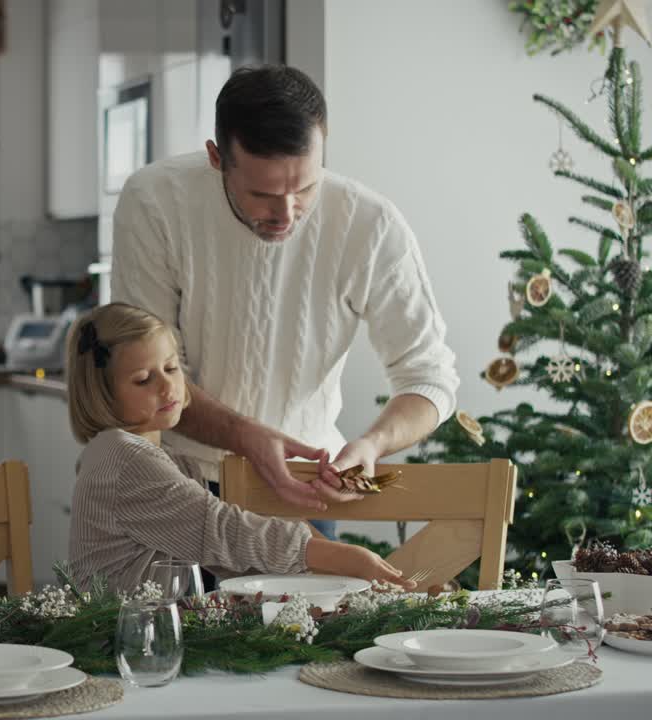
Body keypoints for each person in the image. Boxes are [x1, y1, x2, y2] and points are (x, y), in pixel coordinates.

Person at [111, 65, 459, 538]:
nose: (287, 213)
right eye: (263, 194)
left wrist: (373, 445)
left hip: (303, 492)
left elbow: (430, 377)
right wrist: (245, 438)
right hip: (174, 485)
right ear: (216, 158)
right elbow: (144, 375)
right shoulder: (154, 201)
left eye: (306, 188)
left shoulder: (370, 224)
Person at [66, 303, 414, 593]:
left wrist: (314, 565)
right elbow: (221, 532)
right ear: (102, 392)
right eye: (143, 379)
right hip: (115, 641)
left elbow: (227, 555)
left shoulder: (164, 459)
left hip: (148, 634)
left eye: (171, 368)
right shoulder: (121, 457)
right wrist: (341, 557)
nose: (167, 386)